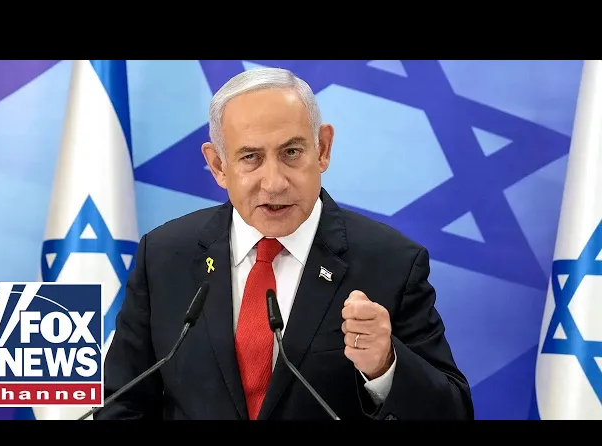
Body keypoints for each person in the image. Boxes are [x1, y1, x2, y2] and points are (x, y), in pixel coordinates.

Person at [95, 67, 474, 420]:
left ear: (322, 149)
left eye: (291, 153)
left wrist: (385, 366)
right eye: (251, 157)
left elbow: (454, 411)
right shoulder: (164, 256)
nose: (274, 182)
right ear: (218, 166)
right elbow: (122, 403)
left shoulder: (391, 263)